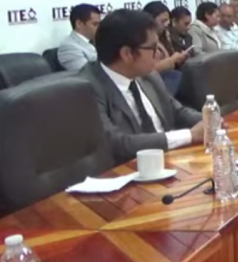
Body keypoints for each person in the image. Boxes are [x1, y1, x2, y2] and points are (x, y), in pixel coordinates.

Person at [78, 10, 205, 164]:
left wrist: (209, 121)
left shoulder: (148, 75)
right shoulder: (86, 90)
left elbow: (176, 111)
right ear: (127, 54)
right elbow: (117, 143)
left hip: (170, 160)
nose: (158, 54)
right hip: (128, 170)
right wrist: (190, 135)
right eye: (153, 48)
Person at [142, 1, 189, 75]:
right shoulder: (143, 40)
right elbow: (149, 69)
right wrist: (172, 60)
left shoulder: (165, 36)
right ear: (151, 20)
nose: (166, 24)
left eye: (167, 20)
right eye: (163, 21)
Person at [57, 4, 102, 71]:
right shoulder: (68, 48)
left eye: (99, 24)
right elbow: (87, 72)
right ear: (79, 24)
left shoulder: (100, 40)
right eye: (95, 24)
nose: (99, 28)